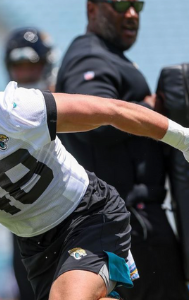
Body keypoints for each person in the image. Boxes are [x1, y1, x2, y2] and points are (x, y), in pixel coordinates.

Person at [0, 31, 189, 300]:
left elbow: (111, 111)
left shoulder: (15, 110)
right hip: (35, 247)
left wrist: (184, 139)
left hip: (89, 214)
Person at [55, 1, 189, 299]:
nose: (131, 13)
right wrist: (149, 109)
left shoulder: (107, 57)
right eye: (119, 3)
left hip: (130, 226)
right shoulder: (90, 57)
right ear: (92, 9)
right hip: (129, 226)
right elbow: (94, 123)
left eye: (137, 4)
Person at [4, 27, 58, 300]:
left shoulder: (68, 108)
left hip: (74, 223)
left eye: (31, 66)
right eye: (18, 66)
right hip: (27, 232)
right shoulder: (2, 116)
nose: (24, 75)